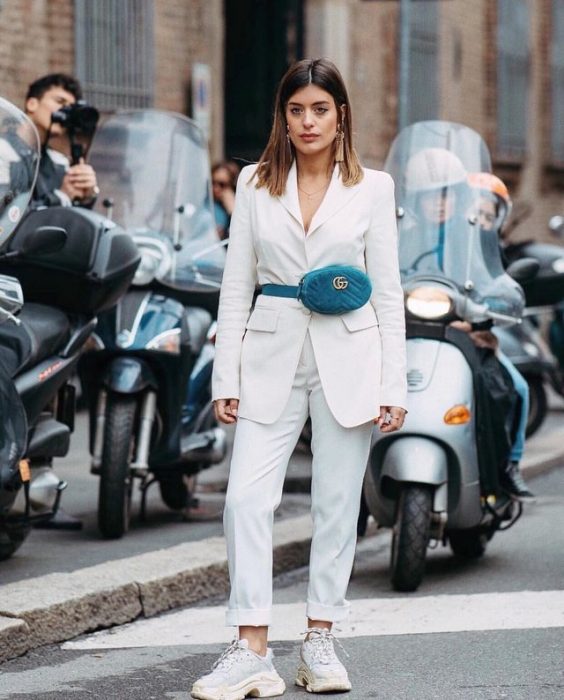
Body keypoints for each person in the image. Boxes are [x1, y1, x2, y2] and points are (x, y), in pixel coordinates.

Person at [190, 58, 407, 699]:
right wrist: (223, 373)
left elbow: (389, 293)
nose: (307, 122)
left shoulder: (374, 187)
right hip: (270, 350)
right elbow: (236, 286)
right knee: (244, 501)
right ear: (282, 117)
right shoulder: (257, 183)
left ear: (341, 116)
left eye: (320, 109)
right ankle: (250, 647)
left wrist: (393, 385)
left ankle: (320, 639)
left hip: (350, 353)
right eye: (295, 110)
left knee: (336, 508)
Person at [465, 172, 534, 500]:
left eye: (490, 214)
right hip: (434, 332)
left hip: (479, 340)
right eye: (476, 210)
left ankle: (510, 464)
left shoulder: (495, 253)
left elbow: (504, 290)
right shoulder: (440, 244)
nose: (482, 218)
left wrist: (487, 314)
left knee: (519, 388)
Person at [24, 73, 99, 208]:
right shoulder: (5, 152)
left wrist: (86, 195)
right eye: (60, 102)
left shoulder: (59, 164)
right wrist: (61, 197)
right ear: (32, 104)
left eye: (70, 108)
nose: (66, 112)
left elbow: (71, 221)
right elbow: (8, 217)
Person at [211, 160, 239, 239]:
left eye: (222, 184)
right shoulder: (206, 206)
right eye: (213, 183)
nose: (215, 188)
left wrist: (233, 211)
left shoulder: (238, 208)